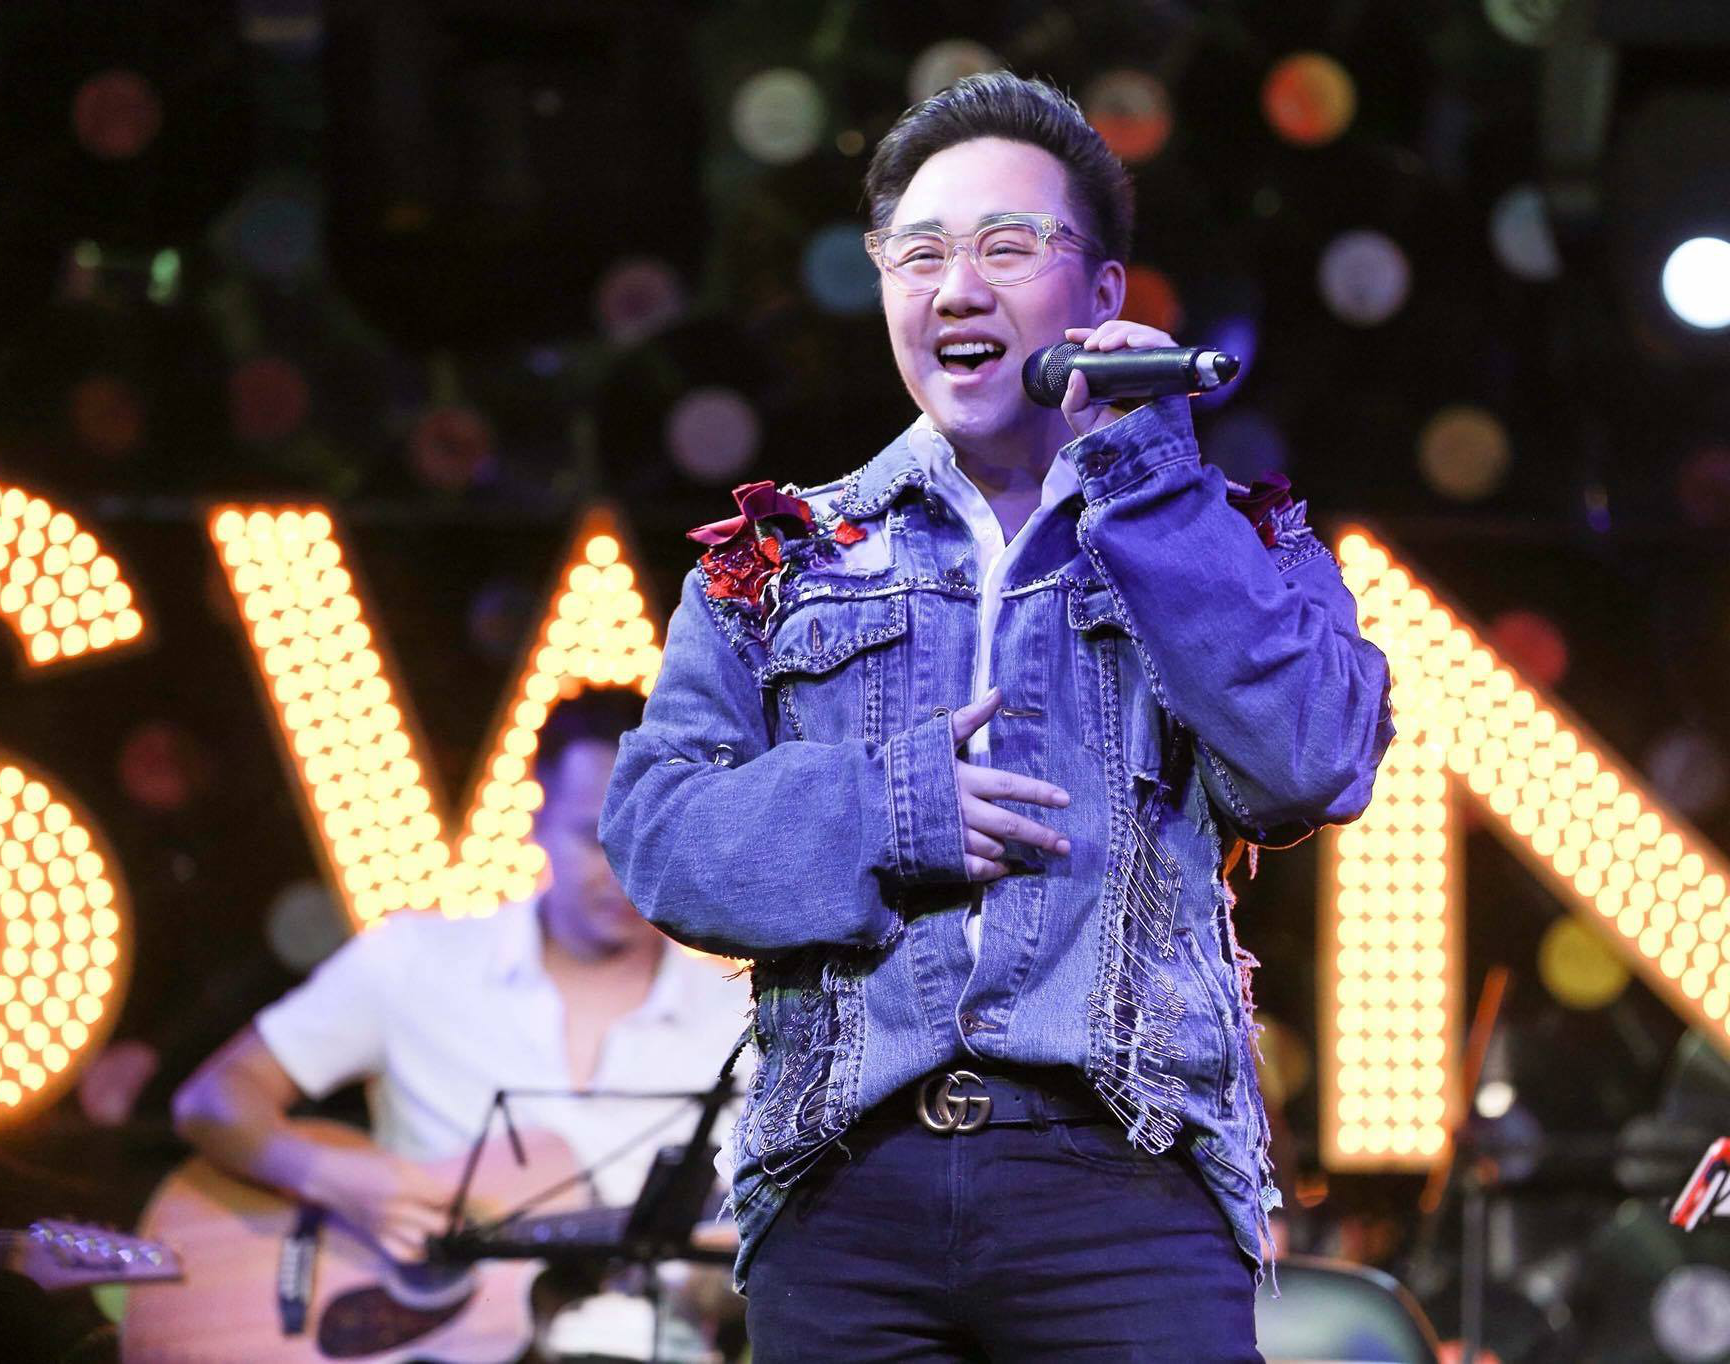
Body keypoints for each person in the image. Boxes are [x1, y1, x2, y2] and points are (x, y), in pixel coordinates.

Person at [600, 72, 1394, 1362]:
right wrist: (887, 811)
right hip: (845, 1194)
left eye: (1005, 247)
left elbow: (1311, 761)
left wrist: (1147, 484)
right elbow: (658, 835)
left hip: (1124, 1187)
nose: (954, 289)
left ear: (1100, 292)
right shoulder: (784, 559)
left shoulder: (1235, 542)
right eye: (917, 256)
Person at [172, 687, 751, 1361]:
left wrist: (731, 1278)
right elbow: (212, 1101)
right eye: (594, 836)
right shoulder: (413, 960)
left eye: (653, 837)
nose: (624, 869)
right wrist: (339, 1180)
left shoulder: (747, 1017)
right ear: (536, 818)